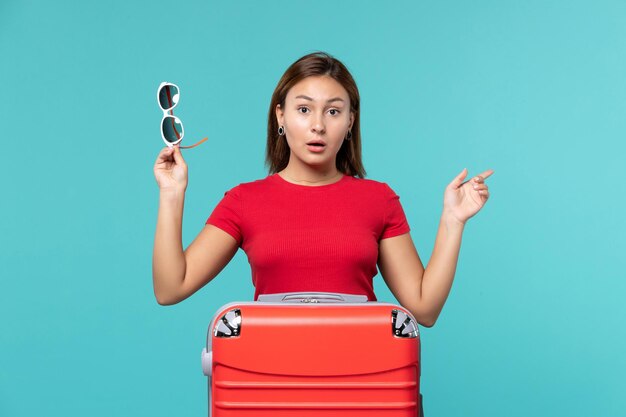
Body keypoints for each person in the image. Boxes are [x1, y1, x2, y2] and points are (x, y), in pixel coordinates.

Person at [152, 51, 493, 327]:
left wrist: (453, 220)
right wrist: (172, 193)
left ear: (349, 122)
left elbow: (424, 309)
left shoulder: (379, 200)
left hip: (362, 383)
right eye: (304, 109)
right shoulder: (244, 201)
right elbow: (170, 288)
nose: (318, 125)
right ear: (280, 117)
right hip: (270, 382)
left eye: (333, 111)